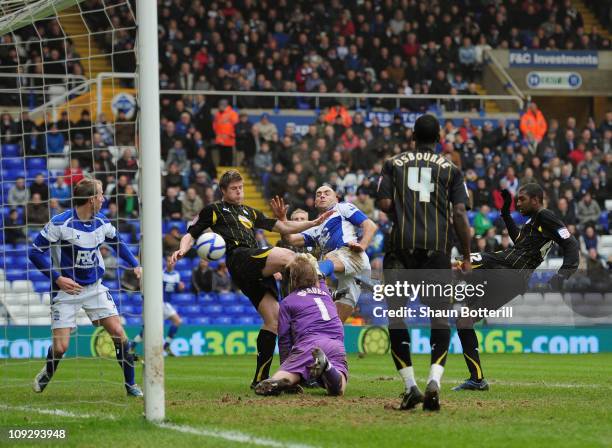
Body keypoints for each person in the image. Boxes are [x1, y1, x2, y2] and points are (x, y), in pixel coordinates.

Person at [172, 170, 333, 388]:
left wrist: (314, 222)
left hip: (253, 270)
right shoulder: (214, 209)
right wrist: (182, 250)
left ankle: (260, 378)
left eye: (240, 188)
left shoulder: (250, 212)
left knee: (274, 321)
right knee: (291, 256)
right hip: (240, 257)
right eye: (233, 189)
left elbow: (283, 227)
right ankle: (318, 294)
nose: (238, 192)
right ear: (223, 191)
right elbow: (191, 233)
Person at [376, 114, 473, 411]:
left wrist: (404, 213)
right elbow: (459, 213)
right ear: (439, 138)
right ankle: (435, 380)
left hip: (401, 250)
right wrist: (467, 254)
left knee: (396, 316)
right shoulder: (452, 170)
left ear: (412, 136)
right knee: (440, 317)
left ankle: (410, 386)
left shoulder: (393, 164)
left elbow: (384, 204)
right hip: (438, 251)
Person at [453, 184, 579, 391]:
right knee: (464, 321)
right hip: (513, 280)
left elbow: (571, 244)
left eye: (522, 199)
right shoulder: (536, 223)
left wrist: (562, 275)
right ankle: (477, 379)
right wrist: (505, 214)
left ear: (536, 200)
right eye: (517, 200)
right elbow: (520, 242)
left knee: (459, 264)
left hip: (506, 266)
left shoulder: (546, 215)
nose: (518, 203)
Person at [29, 178, 143, 397]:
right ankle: (48, 372)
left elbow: (117, 242)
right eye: (100, 194)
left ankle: (131, 385)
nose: (104, 198)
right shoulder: (60, 223)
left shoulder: (101, 222)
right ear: (91, 199)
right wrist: (57, 278)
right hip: (66, 290)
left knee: (119, 334)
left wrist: (135, 265)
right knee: (61, 348)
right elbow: (34, 252)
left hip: (95, 288)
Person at [271, 185, 378, 322]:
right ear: (315, 202)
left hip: (352, 256)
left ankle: (312, 291)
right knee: (333, 324)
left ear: (336, 199)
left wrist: (362, 246)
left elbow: (370, 225)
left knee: (315, 266)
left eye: (327, 193)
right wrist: (282, 220)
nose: (322, 195)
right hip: (346, 274)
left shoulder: (342, 208)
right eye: (318, 194)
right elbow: (290, 239)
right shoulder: (314, 227)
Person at [255, 254, 347, 397]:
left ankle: (279, 381)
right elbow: (325, 267)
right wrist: (313, 263)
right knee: (338, 389)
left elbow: (285, 339)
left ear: (293, 280)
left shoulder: (287, 302)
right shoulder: (325, 293)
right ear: (316, 277)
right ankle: (327, 367)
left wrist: (286, 364)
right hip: (335, 344)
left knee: (291, 373)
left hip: (308, 344)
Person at [129, 256, 183, 357]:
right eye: (168, 260)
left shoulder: (176, 275)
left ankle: (132, 346)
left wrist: (180, 288)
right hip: (158, 302)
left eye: (173, 261)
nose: (170, 262)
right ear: (166, 262)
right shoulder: (160, 274)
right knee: (151, 328)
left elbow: (174, 290)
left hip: (166, 304)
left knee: (150, 329)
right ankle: (132, 346)